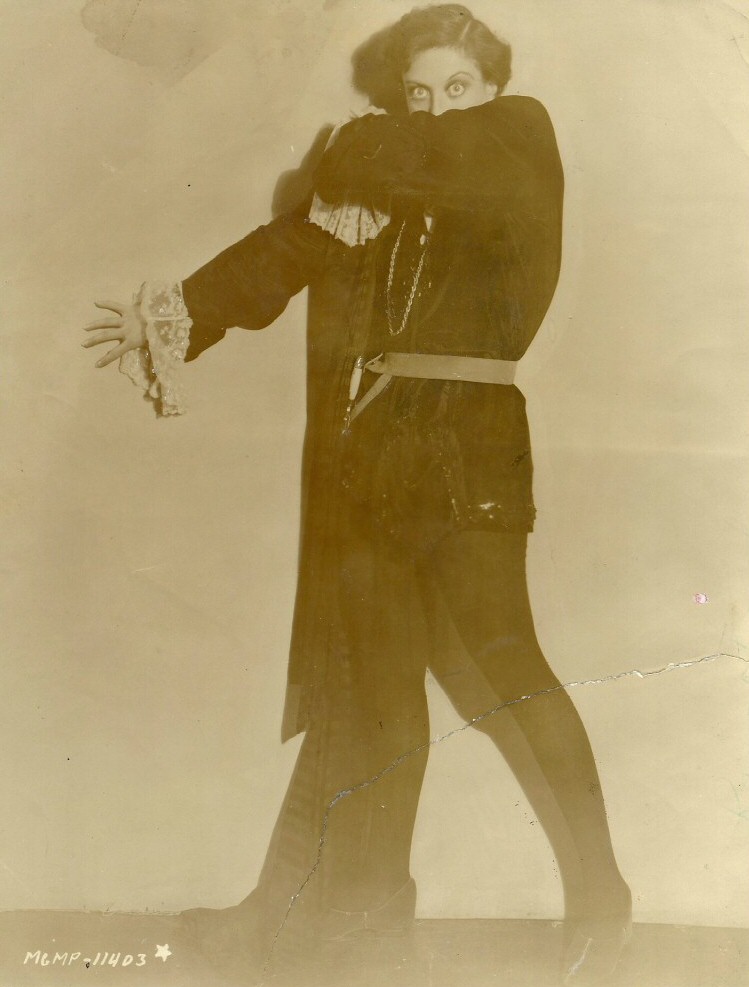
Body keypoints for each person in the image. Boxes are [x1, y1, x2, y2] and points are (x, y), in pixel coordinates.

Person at [82, 5, 631, 983]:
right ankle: (353, 918)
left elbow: (377, 157)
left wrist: (379, 137)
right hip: (374, 447)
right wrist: (179, 313)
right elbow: (292, 247)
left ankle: (601, 897)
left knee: (508, 668)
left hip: (470, 446)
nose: (435, 105)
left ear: (491, 90)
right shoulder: (391, 175)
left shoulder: (513, 136)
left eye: (455, 86)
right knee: (370, 693)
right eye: (417, 90)